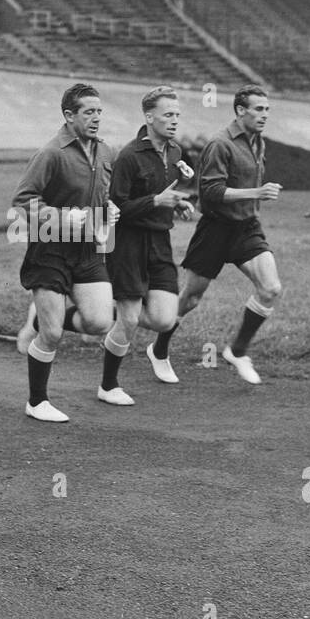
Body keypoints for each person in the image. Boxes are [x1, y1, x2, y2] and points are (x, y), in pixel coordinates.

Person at [150, 86, 284, 385]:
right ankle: (159, 349)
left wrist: (253, 204)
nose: (264, 115)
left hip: (247, 228)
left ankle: (237, 351)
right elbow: (209, 192)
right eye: (258, 109)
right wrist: (257, 193)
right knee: (191, 298)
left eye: (267, 109)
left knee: (271, 288)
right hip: (216, 230)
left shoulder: (257, 141)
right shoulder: (220, 144)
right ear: (240, 110)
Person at [11, 83, 120, 423]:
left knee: (100, 322)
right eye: (89, 112)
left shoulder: (105, 152)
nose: (96, 118)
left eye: (99, 111)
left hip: (88, 250)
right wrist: (62, 217)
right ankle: (37, 400)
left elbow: (102, 194)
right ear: (69, 115)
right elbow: (22, 201)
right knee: (53, 334)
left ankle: (39, 318)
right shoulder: (51, 153)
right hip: (51, 249)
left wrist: (110, 208)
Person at [99, 87, 195, 403]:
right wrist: (156, 201)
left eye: (177, 115)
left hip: (160, 241)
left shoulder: (175, 153)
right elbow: (116, 209)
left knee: (164, 318)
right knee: (128, 319)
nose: (174, 121)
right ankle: (108, 386)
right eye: (168, 115)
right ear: (149, 117)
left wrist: (175, 204)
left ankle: (105, 310)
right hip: (128, 243)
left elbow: (160, 194)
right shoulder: (128, 156)